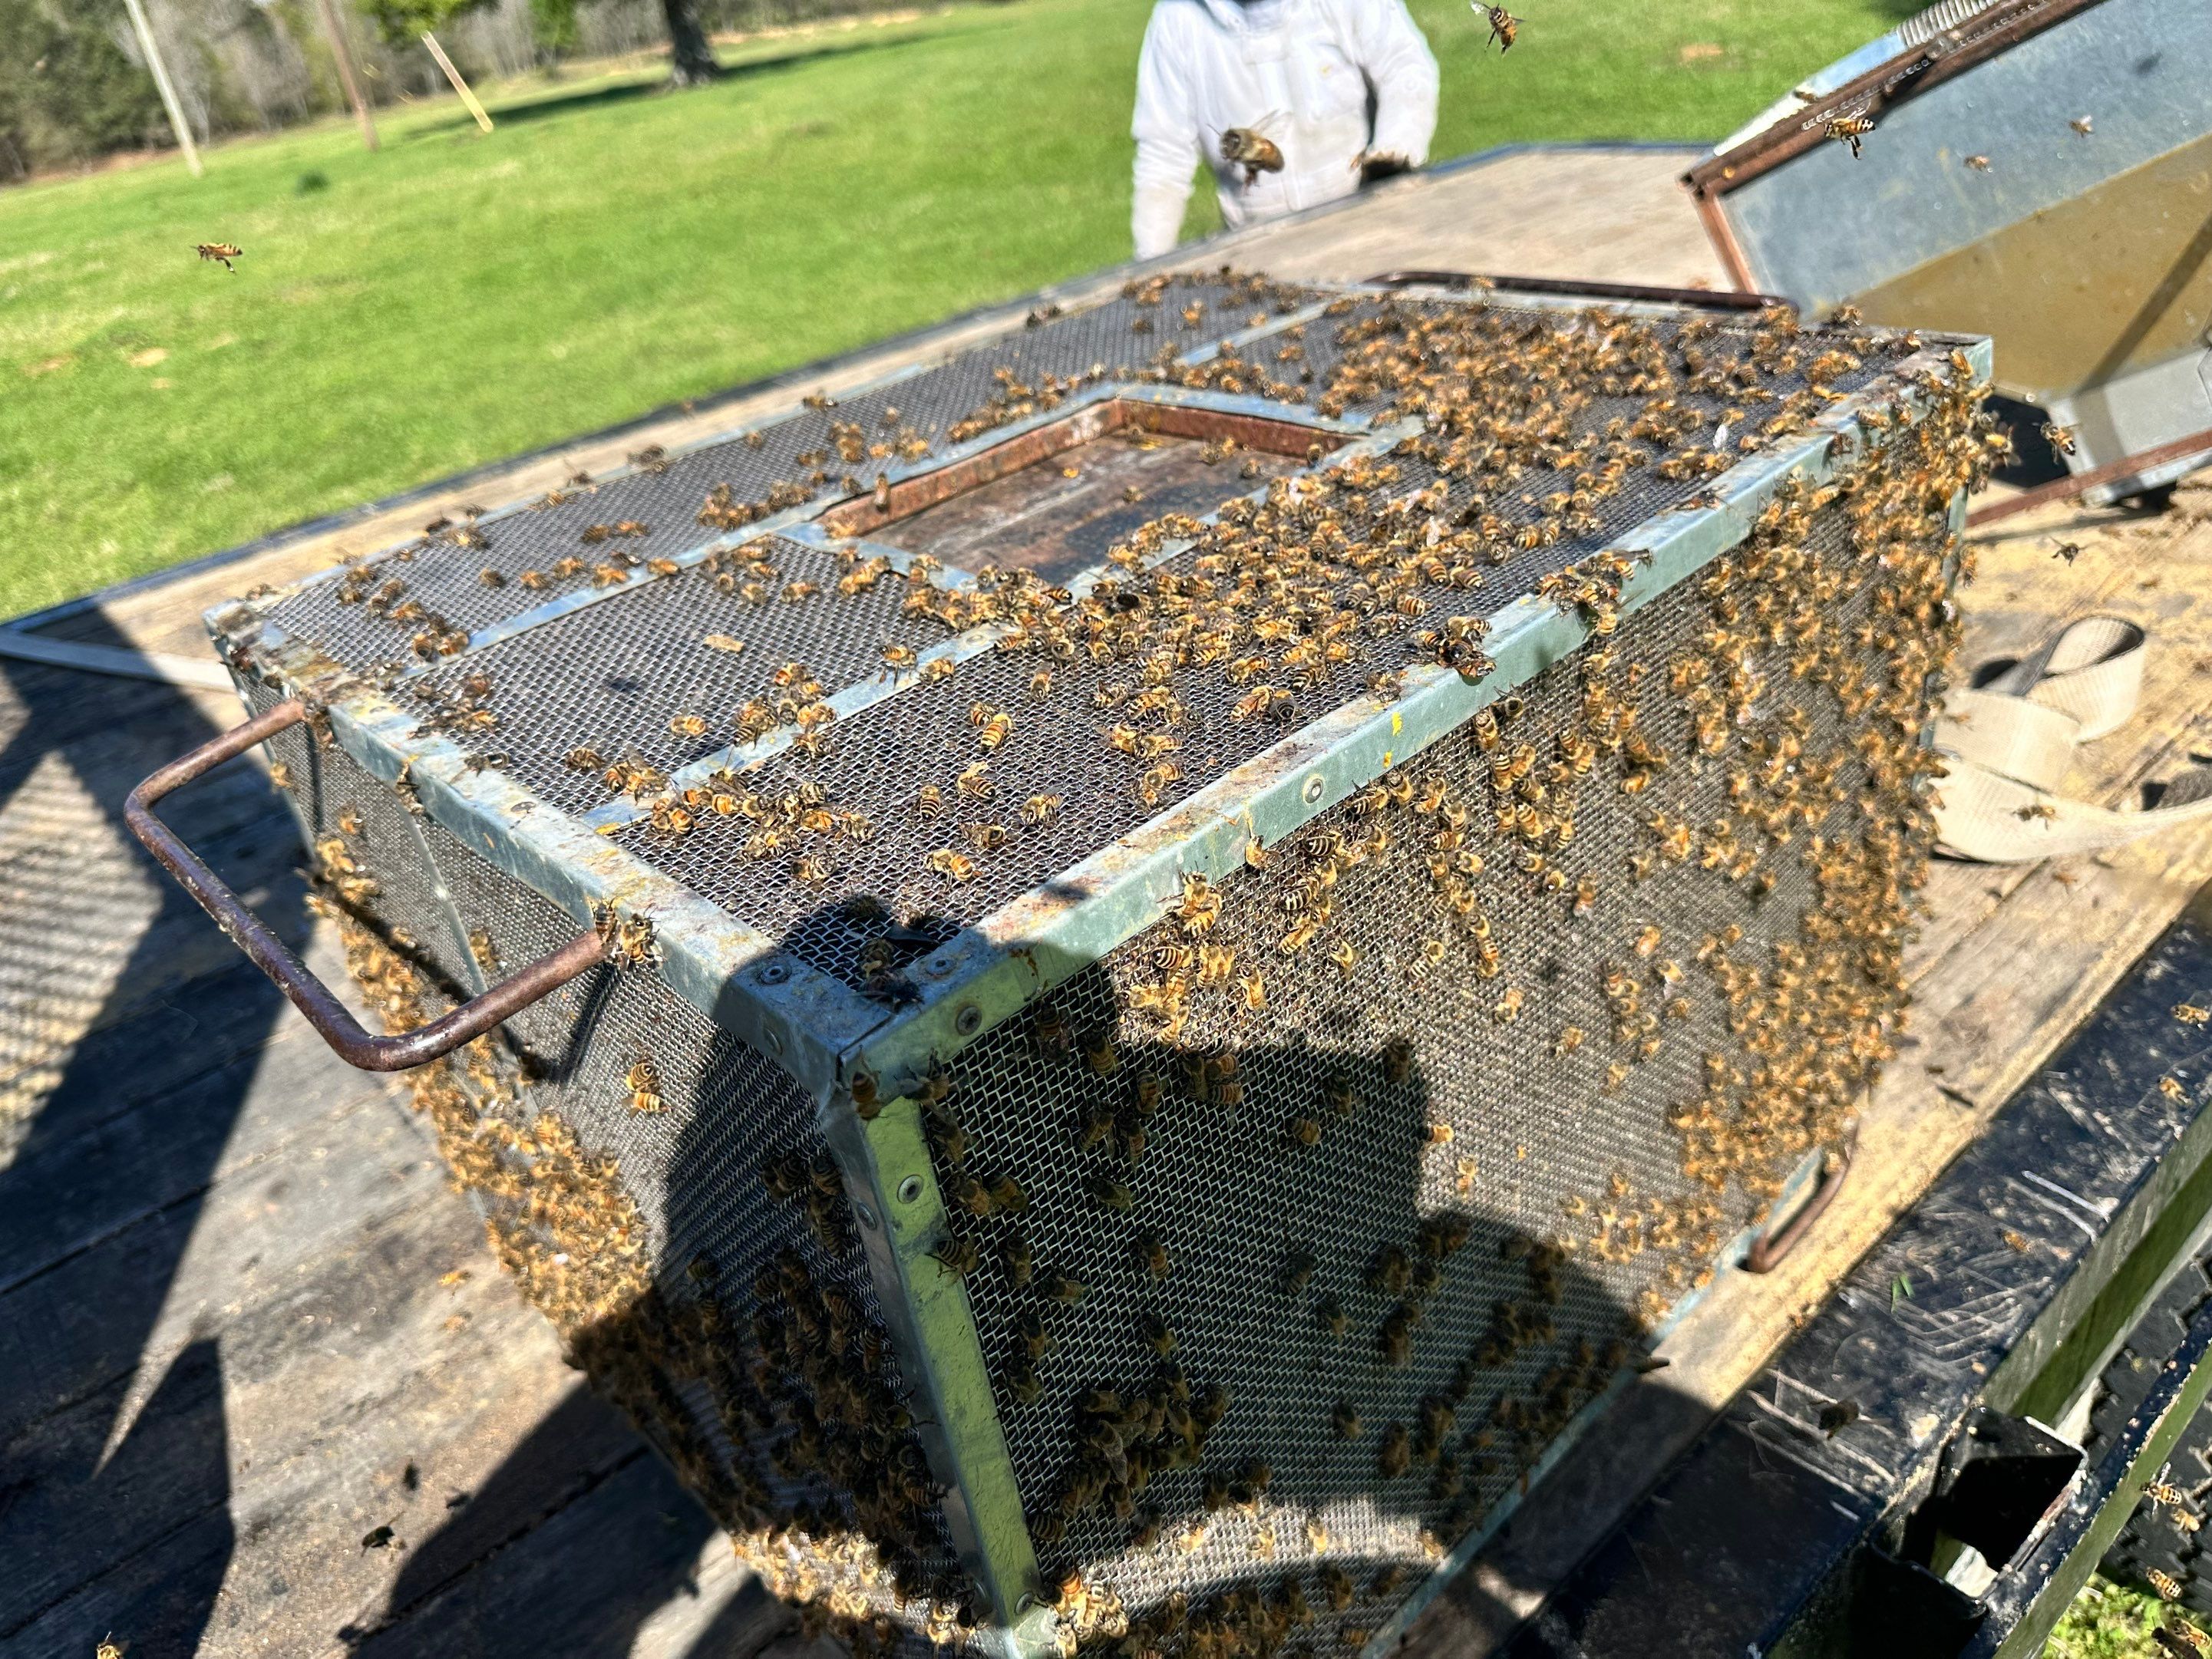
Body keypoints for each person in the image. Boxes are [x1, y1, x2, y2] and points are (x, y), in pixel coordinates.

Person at [1130, 0, 1441, 261]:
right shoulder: (1178, 18)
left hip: (1368, 223)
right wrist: (1149, 266)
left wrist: (1394, 151)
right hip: (1259, 251)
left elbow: (1404, 67)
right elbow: (1164, 153)